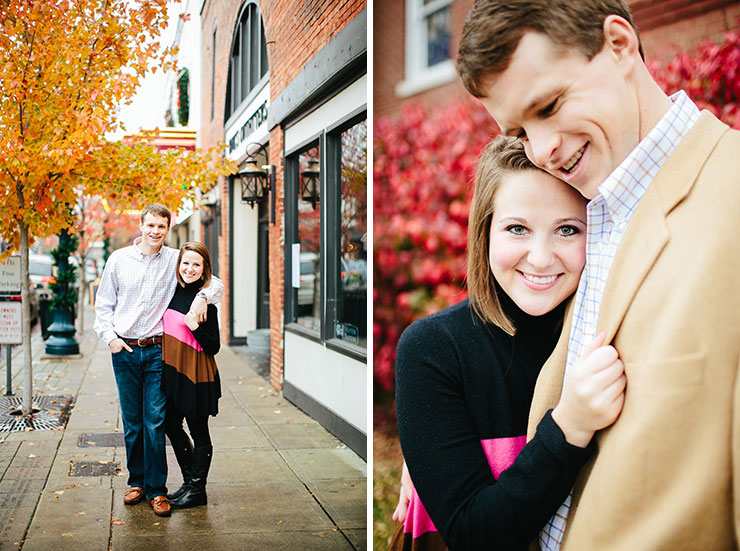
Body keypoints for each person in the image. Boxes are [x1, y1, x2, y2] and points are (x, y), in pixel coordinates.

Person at [456, 1, 740, 549]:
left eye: (549, 105)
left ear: (619, 45)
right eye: (519, 130)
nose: (541, 150)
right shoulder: (585, 211)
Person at [391, 136, 626, 550]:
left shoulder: (609, 335)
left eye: (567, 230)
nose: (540, 257)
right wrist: (569, 426)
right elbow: (471, 533)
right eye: (518, 228)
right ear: (485, 232)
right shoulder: (433, 350)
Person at [94, 203, 223, 518]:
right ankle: (136, 481)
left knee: (155, 420)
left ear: (168, 229)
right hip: (124, 349)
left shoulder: (174, 259)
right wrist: (110, 339)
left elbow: (211, 279)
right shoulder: (119, 259)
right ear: (141, 224)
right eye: (150, 225)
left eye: (161, 227)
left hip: (157, 351)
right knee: (132, 422)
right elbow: (103, 305)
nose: (155, 232)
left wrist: (204, 297)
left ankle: (157, 490)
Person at [162, 241, 221, 509]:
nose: (190, 268)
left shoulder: (207, 300)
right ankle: (189, 482)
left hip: (197, 373)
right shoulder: (172, 292)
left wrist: (194, 326)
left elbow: (214, 346)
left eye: (196, 264)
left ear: (204, 268)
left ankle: (198, 490)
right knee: (171, 425)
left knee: (199, 432)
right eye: (186, 263)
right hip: (175, 371)